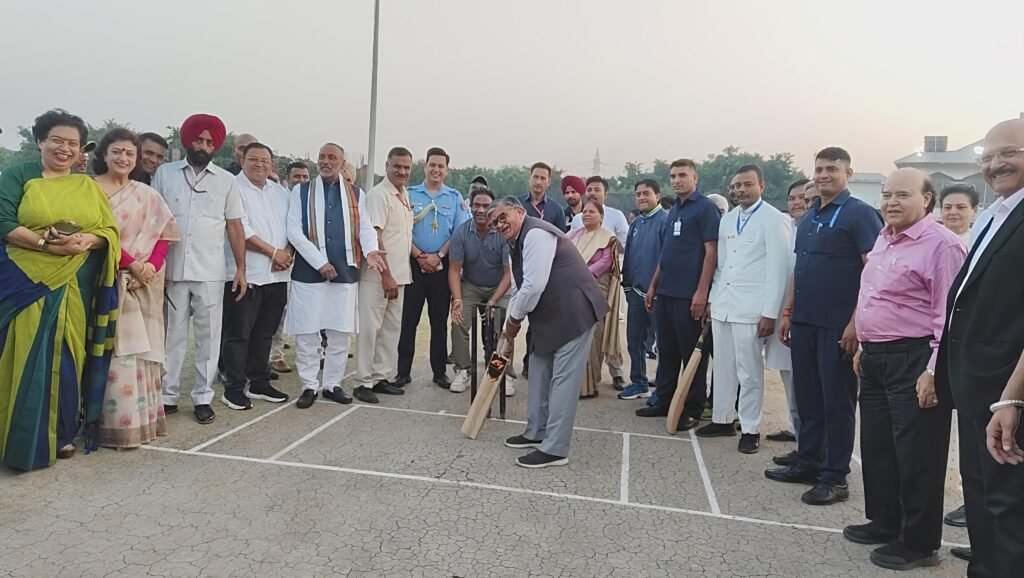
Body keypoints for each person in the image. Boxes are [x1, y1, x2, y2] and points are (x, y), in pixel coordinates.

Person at [838, 168, 965, 570]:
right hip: (876, 356)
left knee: (917, 452)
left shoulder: (942, 245)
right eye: (887, 194)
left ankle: (919, 542)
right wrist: (864, 343)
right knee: (878, 445)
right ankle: (885, 521)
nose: (891, 202)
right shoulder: (884, 237)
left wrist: (934, 371)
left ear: (926, 200)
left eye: (902, 195)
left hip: (915, 358)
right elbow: (872, 294)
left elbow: (950, 316)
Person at [0, 109, 120, 470]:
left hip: (74, 283)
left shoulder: (87, 186)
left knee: (68, 357)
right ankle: (17, 437)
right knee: (22, 353)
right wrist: (45, 246)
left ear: (81, 149)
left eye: (73, 143)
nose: (65, 149)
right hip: (25, 279)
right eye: (56, 140)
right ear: (40, 141)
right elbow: (3, 221)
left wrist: (87, 241)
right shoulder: (17, 176)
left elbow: (109, 231)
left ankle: (62, 433)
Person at [767, 147, 883, 505]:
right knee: (809, 398)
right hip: (805, 321)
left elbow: (873, 273)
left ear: (848, 173)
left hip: (838, 326)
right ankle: (809, 462)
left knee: (837, 403)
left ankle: (835, 477)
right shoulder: (810, 215)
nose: (823, 175)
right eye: (819, 169)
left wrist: (856, 323)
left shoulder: (860, 215)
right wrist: (789, 311)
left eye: (832, 169)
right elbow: (798, 269)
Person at [937, 118, 1024, 577]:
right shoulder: (994, 215)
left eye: (1009, 153)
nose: (995, 164)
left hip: (1009, 393)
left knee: (1010, 509)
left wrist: (1012, 398)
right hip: (976, 386)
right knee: (981, 497)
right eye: (987, 157)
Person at [490, 198, 607, 468]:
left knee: (563, 381)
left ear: (520, 211)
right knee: (539, 369)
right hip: (548, 315)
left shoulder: (536, 233)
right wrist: (508, 332)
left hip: (574, 311)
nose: (500, 224)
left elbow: (533, 286)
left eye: (503, 217)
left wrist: (514, 322)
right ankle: (536, 431)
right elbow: (518, 288)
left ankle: (555, 449)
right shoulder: (513, 243)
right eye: (495, 222)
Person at [153, 113, 247, 425]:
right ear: (187, 141)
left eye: (209, 142)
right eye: (198, 140)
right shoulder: (165, 174)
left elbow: (235, 227)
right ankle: (168, 396)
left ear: (216, 146)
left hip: (210, 271)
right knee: (173, 336)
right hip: (173, 269)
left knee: (208, 337)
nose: (204, 146)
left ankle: (203, 397)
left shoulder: (226, 180)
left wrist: (241, 269)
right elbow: (155, 221)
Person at [696, 165, 791, 455]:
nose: (741, 190)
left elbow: (779, 270)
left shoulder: (774, 219)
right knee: (723, 367)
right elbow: (722, 265)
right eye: (736, 186)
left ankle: (750, 428)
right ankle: (722, 419)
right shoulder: (727, 219)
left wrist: (770, 313)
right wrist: (712, 300)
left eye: (747, 184)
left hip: (753, 308)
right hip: (724, 304)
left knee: (749, 372)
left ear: (762, 185)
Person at [93, 128, 179, 449]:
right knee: (114, 355)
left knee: (141, 355)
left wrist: (151, 267)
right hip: (105, 280)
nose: (123, 158)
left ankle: (141, 424)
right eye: (117, 151)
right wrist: (131, 264)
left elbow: (164, 234)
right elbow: (97, 234)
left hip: (144, 286)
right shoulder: (89, 190)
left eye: (130, 153)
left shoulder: (146, 194)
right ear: (104, 154)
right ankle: (108, 426)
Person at [288, 143, 384, 409]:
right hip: (308, 273)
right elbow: (294, 231)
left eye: (332, 158)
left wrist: (371, 250)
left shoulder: (355, 193)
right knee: (307, 332)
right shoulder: (301, 191)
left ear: (342, 164)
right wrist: (320, 262)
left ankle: (332, 384)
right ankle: (309, 385)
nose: (325, 161)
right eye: (322, 157)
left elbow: (365, 228)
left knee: (340, 333)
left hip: (344, 272)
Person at [635, 159, 720, 430]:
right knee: (667, 351)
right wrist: (653, 285)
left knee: (690, 353)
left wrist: (702, 292)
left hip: (689, 294)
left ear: (695, 177)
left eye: (683, 175)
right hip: (667, 291)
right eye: (673, 176)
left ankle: (692, 408)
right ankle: (664, 399)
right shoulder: (674, 210)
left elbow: (711, 253)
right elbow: (666, 252)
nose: (677, 180)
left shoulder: (705, 208)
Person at [220, 142, 293, 410]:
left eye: (265, 160)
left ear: (272, 165)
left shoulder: (280, 192)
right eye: (254, 159)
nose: (260, 165)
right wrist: (274, 253)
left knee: (265, 332)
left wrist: (287, 254)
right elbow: (240, 229)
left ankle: (259, 382)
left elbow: (293, 226)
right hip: (246, 274)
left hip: (278, 275)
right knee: (238, 333)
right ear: (242, 161)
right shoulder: (233, 188)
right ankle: (234, 387)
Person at [396, 147, 469, 389]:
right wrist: (419, 256)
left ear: (447, 170)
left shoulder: (454, 198)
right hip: (413, 264)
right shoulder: (409, 194)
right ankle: (402, 372)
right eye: (432, 165)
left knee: (438, 321)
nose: (436, 169)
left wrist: (438, 256)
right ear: (425, 166)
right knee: (409, 320)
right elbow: (403, 230)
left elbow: (458, 233)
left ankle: (439, 372)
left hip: (442, 266)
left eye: (441, 166)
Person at [354, 147, 415, 403]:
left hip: (400, 275)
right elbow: (375, 237)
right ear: (387, 165)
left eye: (406, 167)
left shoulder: (404, 194)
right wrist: (386, 275)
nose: (401, 171)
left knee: (390, 330)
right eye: (397, 166)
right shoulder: (379, 195)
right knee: (370, 329)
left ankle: (380, 376)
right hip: (378, 276)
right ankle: (363, 381)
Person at [447, 187, 516, 395]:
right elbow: (454, 270)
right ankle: (463, 370)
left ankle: (502, 374)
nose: (480, 210)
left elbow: (508, 274)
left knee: (502, 326)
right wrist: (457, 300)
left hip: (499, 286)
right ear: (470, 207)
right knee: (458, 320)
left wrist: (493, 302)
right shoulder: (461, 232)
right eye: (476, 205)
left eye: (486, 206)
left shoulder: (502, 233)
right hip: (471, 284)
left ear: (493, 208)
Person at [569, 176, 629, 389]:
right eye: (589, 189)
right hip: (574, 290)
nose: (587, 214)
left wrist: (583, 274)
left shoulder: (612, 226)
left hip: (598, 289)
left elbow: (607, 259)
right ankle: (578, 382)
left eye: (597, 189)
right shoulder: (576, 230)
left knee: (600, 333)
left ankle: (607, 376)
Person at [619, 179, 669, 401]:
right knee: (634, 340)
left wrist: (656, 288)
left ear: (657, 196)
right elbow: (629, 255)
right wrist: (628, 286)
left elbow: (667, 259)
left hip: (658, 295)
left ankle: (662, 389)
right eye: (638, 194)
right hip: (636, 293)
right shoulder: (636, 223)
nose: (641, 197)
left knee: (662, 345)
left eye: (646, 193)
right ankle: (638, 382)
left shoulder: (665, 221)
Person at [517, 162, 567, 377]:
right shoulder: (517, 204)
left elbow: (562, 241)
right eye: (535, 177)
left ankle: (532, 362)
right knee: (516, 313)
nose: (538, 182)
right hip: (519, 266)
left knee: (539, 320)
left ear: (548, 182)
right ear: (530, 178)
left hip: (546, 271)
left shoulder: (556, 210)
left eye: (542, 178)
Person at [939, 183, 980, 248]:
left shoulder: (980, 240)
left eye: (961, 207)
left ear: (974, 210)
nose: (953, 212)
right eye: (947, 207)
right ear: (941, 210)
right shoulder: (929, 237)